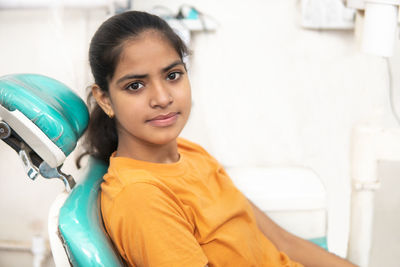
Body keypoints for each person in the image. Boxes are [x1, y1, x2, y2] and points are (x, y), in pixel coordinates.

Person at [81, 10, 357, 267]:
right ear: (105, 99)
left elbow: (283, 241)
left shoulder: (191, 153)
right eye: (136, 86)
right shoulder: (142, 198)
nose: (163, 98)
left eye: (173, 75)